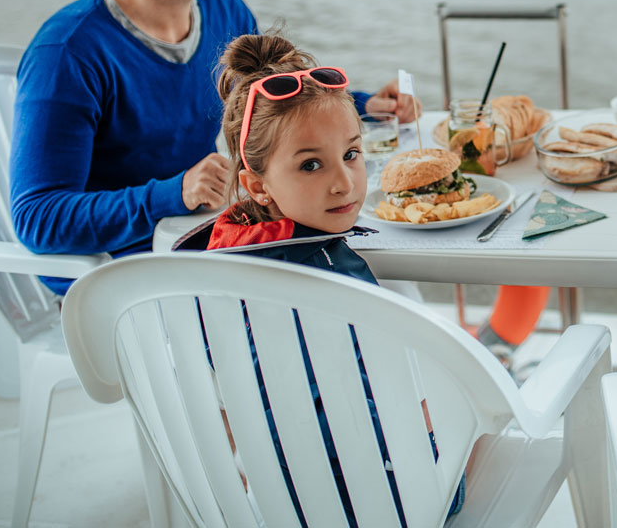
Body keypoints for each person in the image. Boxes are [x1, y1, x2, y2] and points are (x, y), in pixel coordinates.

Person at [9, 0, 417, 293]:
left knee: (390, 285)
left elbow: (266, 103)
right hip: (118, 289)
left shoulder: (223, 8)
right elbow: (37, 217)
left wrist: (363, 105)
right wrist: (175, 192)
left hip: (208, 252)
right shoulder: (67, 53)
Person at [184, 32, 463, 524]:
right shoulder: (314, 280)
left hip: (285, 499)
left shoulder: (222, 261)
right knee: (476, 415)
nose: (344, 183)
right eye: (311, 165)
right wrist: (425, 423)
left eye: (351, 154)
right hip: (381, 501)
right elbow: (338, 422)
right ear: (257, 185)